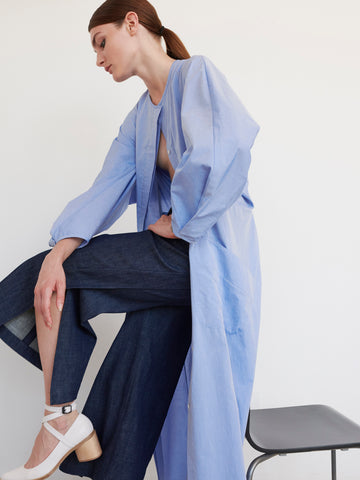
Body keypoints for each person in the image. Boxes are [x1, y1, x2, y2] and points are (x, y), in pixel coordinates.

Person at [0, 0, 262, 479]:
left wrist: (179, 220)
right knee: (136, 370)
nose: (98, 58)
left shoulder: (197, 75)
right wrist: (61, 248)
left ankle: (57, 421)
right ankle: (83, 439)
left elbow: (228, 151)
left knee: (50, 282)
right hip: (170, 275)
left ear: (133, 23)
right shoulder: (140, 119)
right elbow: (107, 186)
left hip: (209, 262)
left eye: (102, 42)